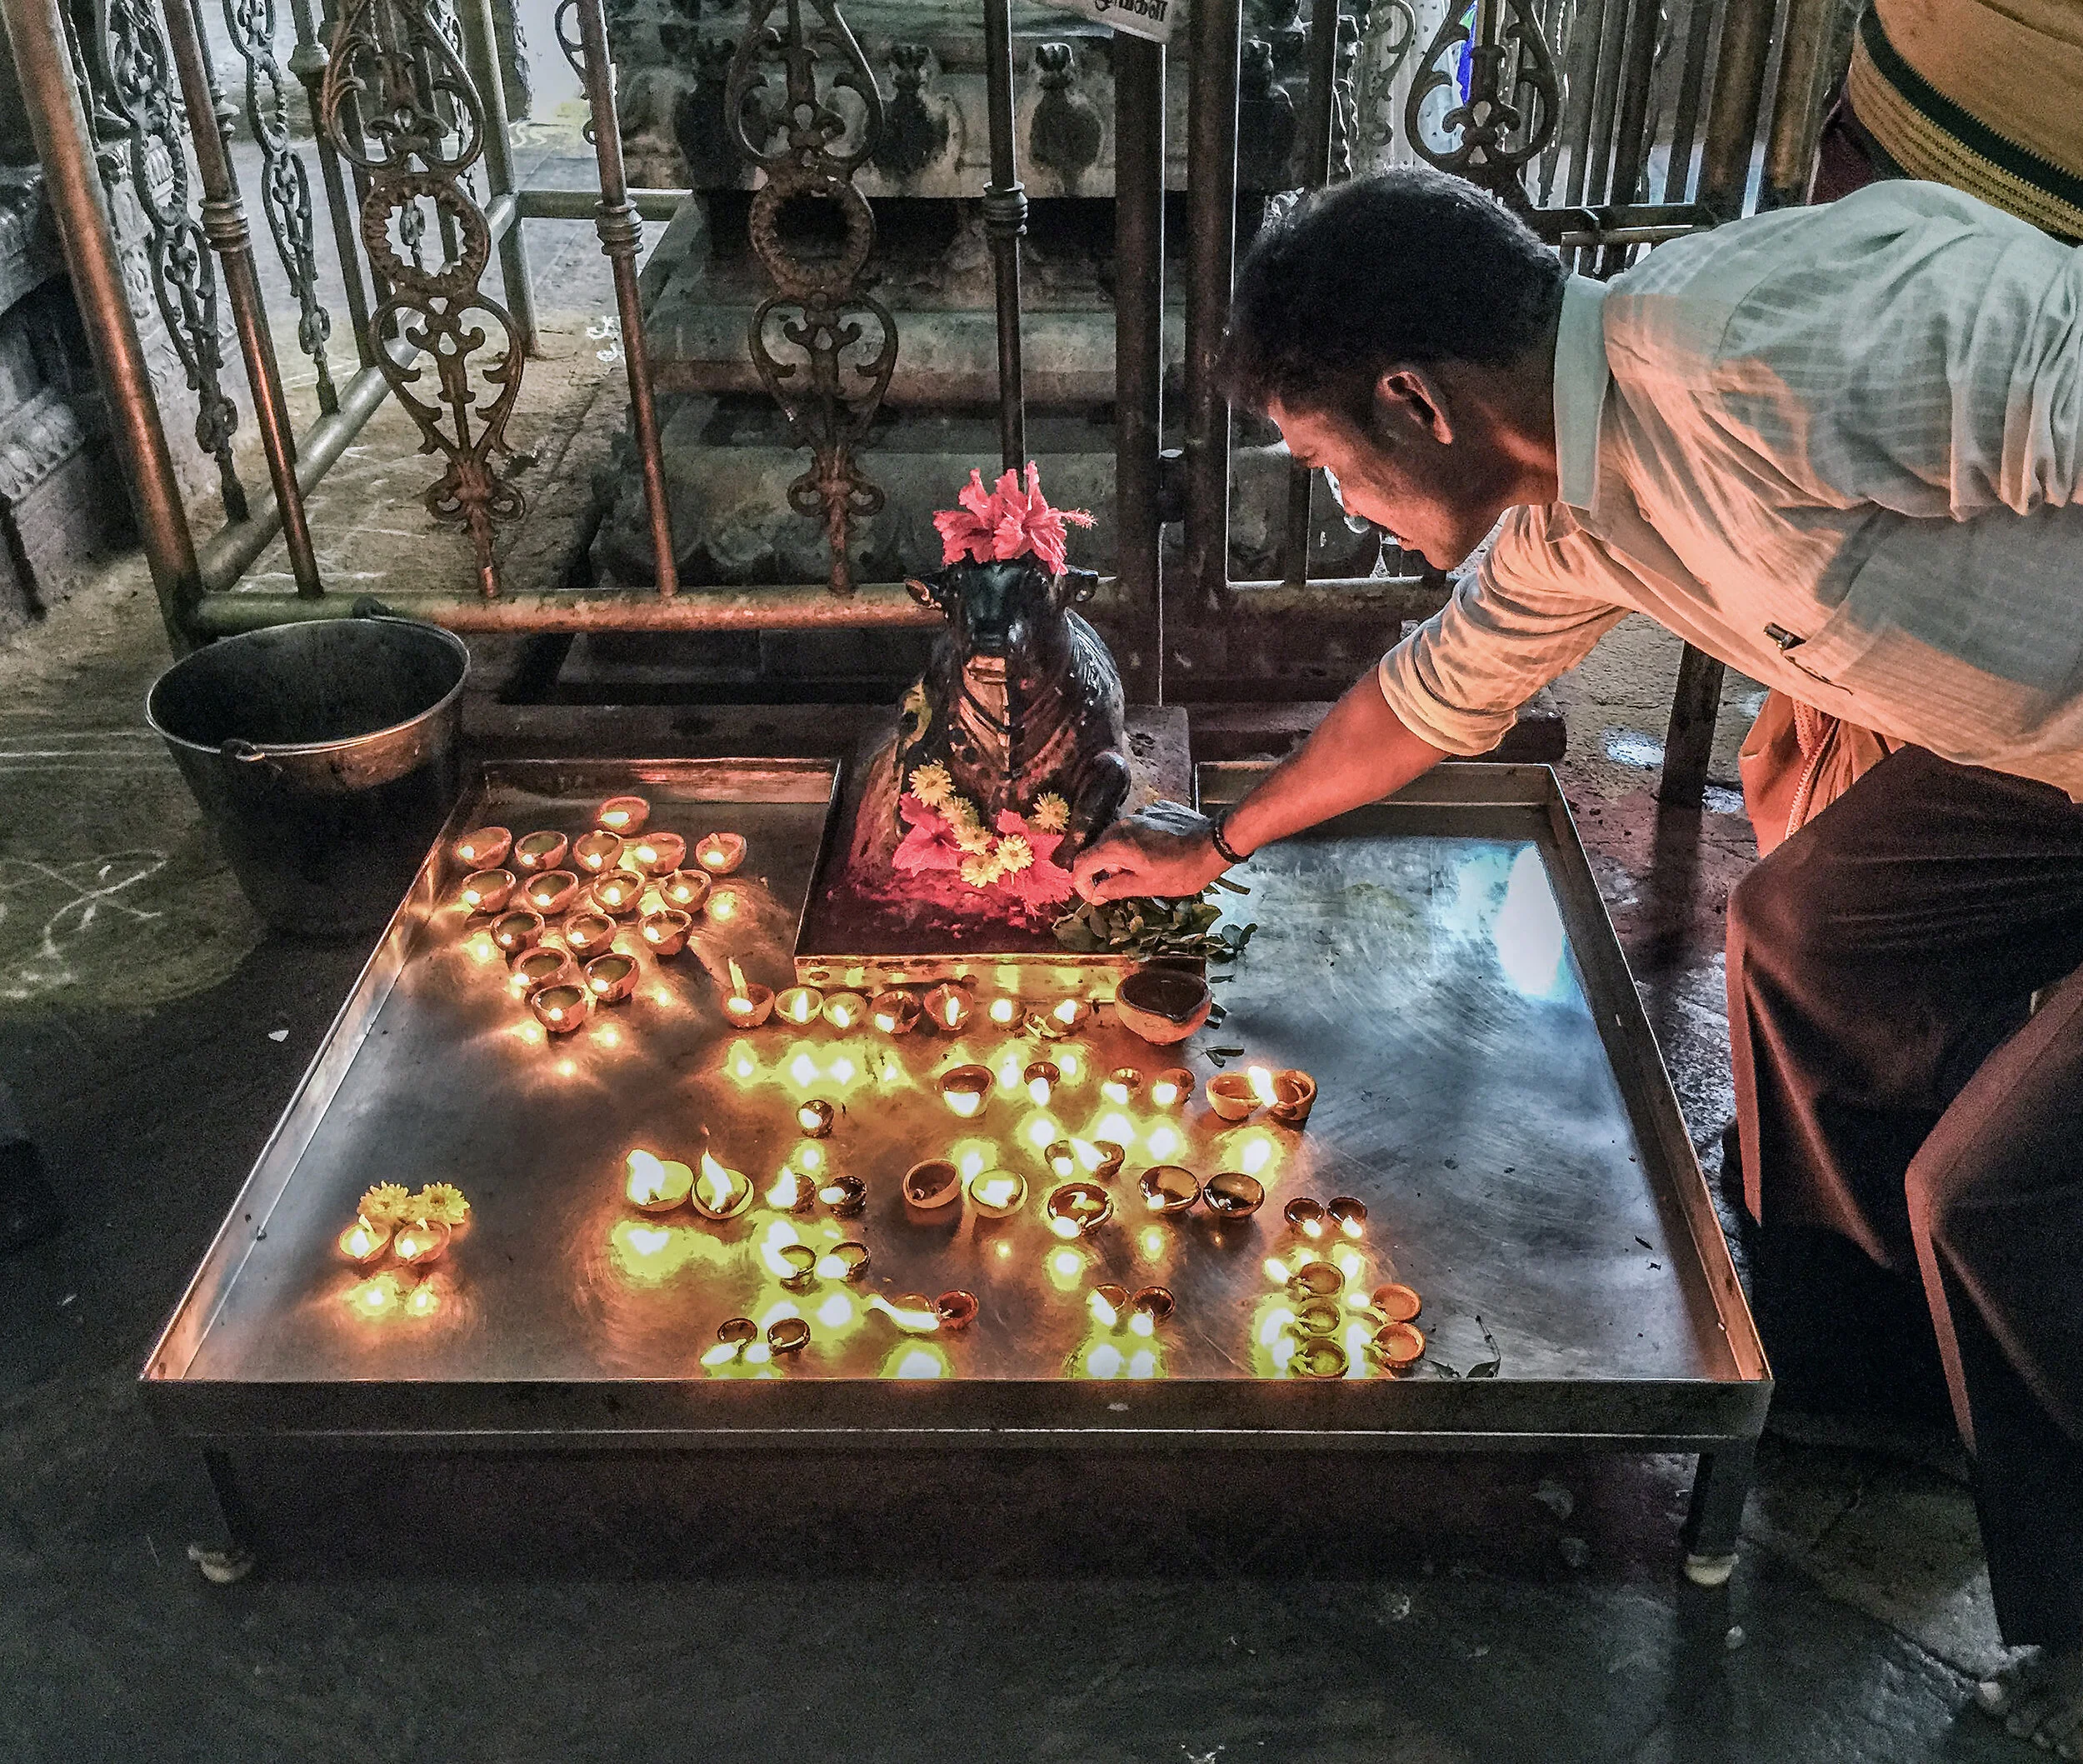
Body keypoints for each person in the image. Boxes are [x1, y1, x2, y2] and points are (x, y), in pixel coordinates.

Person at [1071, 165, 2083, 1752]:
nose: (1341, 506)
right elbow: (1434, 690)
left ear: (1417, 400)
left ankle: (2075, 1617)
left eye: (1332, 464)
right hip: (2048, 764)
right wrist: (1220, 842)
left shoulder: (1774, 346)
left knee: (2002, 1185)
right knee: (1805, 933)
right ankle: (1864, 1378)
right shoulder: (1576, 516)